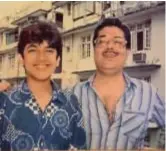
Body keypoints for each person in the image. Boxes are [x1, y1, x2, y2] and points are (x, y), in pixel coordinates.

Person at [73, 18, 165, 150]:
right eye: (102, 41)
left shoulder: (147, 92)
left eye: (117, 42)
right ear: (94, 49)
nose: (110, 46)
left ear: (127, 51)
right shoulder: (72, 96)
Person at [0, 21, 86, 150]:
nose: (41, 58)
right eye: (33, 50)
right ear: (21, 58)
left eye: (49, 51)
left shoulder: (71, 103)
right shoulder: (4, 103)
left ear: (58, 60)